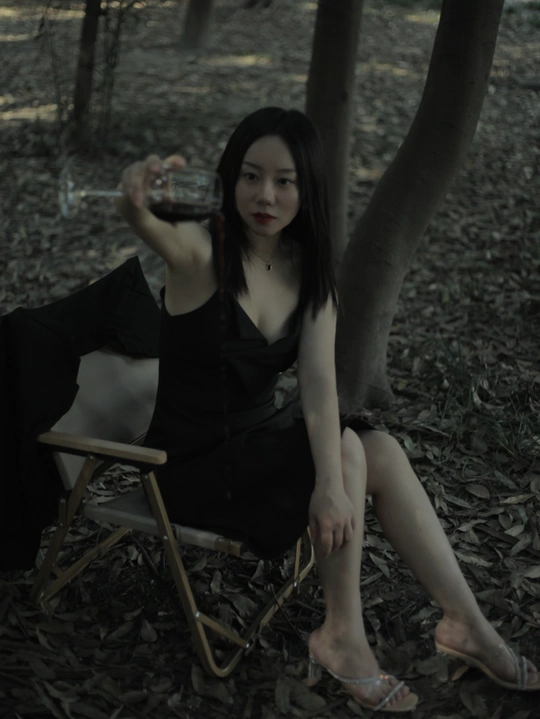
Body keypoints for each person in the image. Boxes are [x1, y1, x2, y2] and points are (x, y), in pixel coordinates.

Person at [117, 107, 539, 712]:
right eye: (251, 176)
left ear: (306, 188)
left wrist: (330, 485)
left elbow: (318, 384)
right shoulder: (200, 254)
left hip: (257, 447)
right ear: (230, 179)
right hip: (188, 471)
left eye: (284, 180)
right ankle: (343, 636)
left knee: (376, 448)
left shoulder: (309, 272)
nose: (265, 195)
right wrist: (136, 191)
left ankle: (464, 622)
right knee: (347, 449)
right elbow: (142, 218)